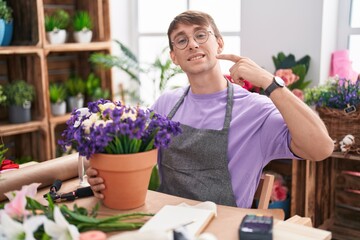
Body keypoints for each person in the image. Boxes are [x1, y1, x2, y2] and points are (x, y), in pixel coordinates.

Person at [87, 10, 334, 208]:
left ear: (219, 43)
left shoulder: (255, 110)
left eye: (201, 35)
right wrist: (99, 173)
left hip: (222, 231)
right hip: (165, 223)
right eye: (181, 40)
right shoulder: (166, 103)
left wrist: (270, 83)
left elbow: (321, 148)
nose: (192, 44)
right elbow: (127, 156)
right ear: (174, 56)